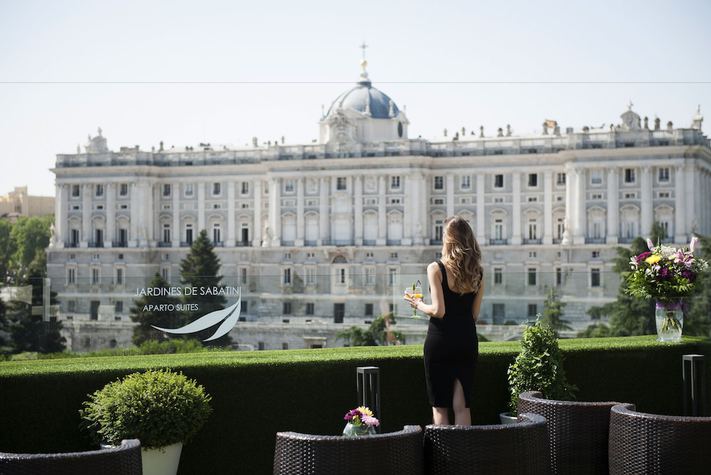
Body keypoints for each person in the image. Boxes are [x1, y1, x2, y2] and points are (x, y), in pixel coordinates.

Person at [404, 216, 484, 425]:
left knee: (440, 406)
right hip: (467, 340)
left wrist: (417, 304)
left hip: (440, 341)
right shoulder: (478, 272)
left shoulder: (436, 268)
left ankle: (444, 456)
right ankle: (463, 454)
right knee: (462, 405)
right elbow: (474, 315)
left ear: (447, 239)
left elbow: (439, 311)